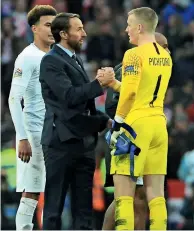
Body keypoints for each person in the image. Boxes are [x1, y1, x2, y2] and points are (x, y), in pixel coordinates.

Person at [97, 7, 172, 230]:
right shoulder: (165, 57)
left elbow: (129, 95)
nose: (127, 29)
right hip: (158, 123)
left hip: (135, 126)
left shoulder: (133, 54)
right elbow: (142, 92)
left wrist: (119, 123)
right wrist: (113, 84)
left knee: (124, 196)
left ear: (140, 27)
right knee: (156, 195)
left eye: (129, 24)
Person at [39, 13, 115, 230]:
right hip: (60, 143)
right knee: (54, 207)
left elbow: (85, 105)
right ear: (63, 34)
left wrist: (103, 121)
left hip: (83, 143)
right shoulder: (50, 61)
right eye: (78, 29)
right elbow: (70, 97)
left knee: (84, 209)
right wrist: (99, 83)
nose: (84, 33)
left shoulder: (74, 59)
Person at [8, 5, 57, 230]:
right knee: (33, 190)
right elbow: (13, 99)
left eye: (55, 25)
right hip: (34, 132)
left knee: (54, 189)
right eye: (47, 25)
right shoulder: (27, 57)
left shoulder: (57, 56)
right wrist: (23, 137)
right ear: (34, 28)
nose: (52, 30)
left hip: (55, 132)